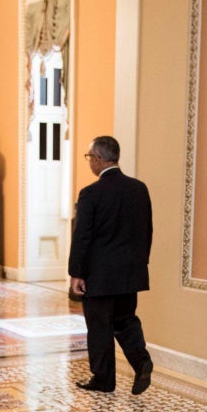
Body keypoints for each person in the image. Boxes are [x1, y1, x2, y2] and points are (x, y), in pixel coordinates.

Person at [68, 136, 154, 395]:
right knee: (126, 320)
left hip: (99, 275)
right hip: (130, 273)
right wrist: (140, 264)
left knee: (99, 326)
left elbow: (82, 237)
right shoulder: (139, 189)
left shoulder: (91, 193)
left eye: (89, 158)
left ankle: (104, 379)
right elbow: (147, 231)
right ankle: (141, 361)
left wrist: (76, 273)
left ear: (98, 159)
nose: (89, 163)